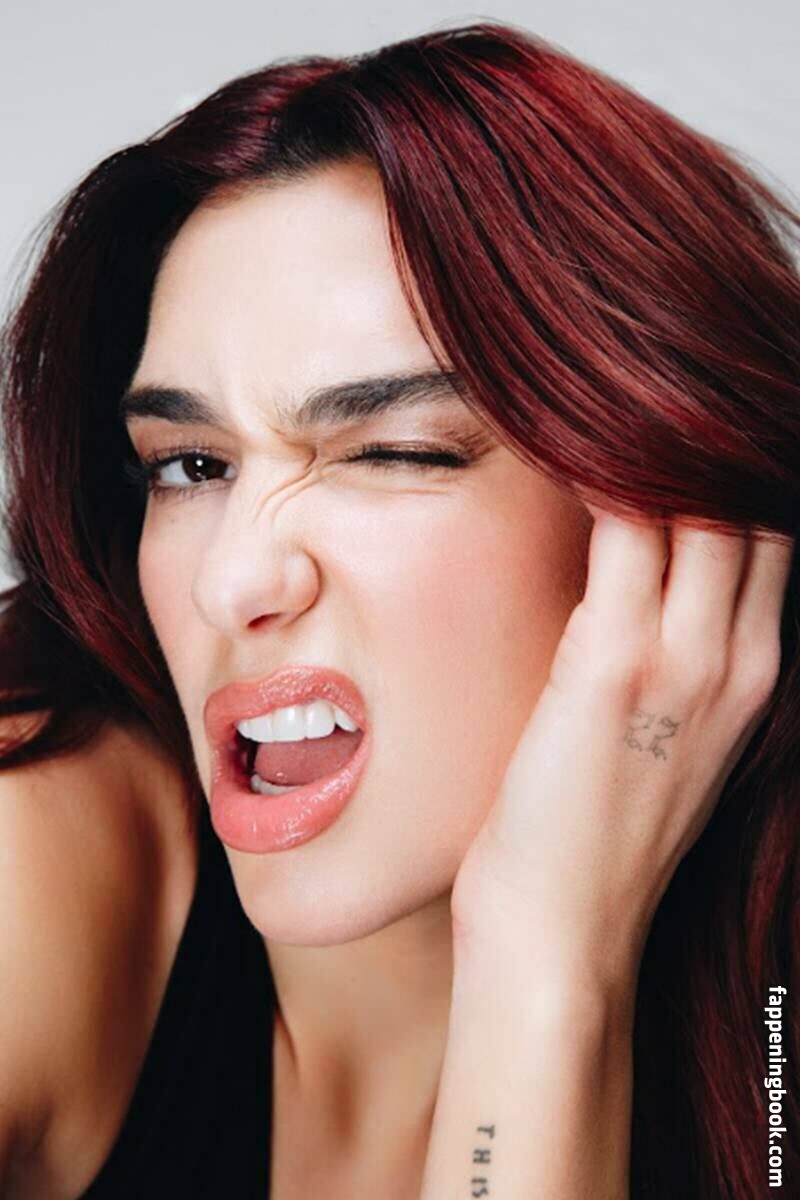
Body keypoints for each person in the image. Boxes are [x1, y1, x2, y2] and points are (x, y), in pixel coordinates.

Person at [1, 18, 798, 1198]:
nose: (231, 580)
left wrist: (541, 960)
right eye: (190, 465)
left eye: (394, 451)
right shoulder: (33, 847)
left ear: (666, 527)